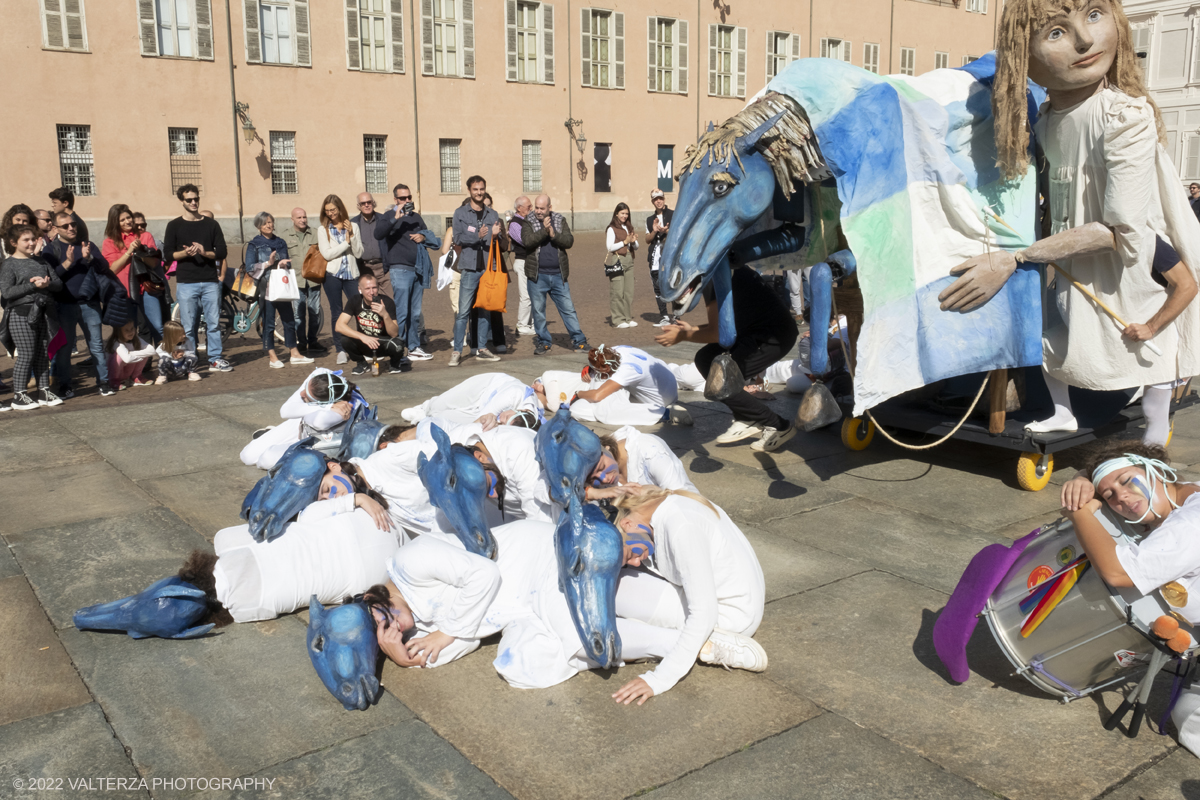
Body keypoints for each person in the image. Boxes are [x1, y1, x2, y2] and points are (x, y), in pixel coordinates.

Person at [941, 0, 1200, 437]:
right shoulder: (1045, 120)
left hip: (1125, 253)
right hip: (1070, 250)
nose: (1084, 40)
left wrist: (1016, 258)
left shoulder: (1124, 115)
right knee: (1052, 333)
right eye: (1056, 32)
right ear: (1023, 55)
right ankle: (1064, 412)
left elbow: (1123, 229)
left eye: (1094, 15)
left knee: (1149, 346)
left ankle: (1156, 436)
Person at [1059, 443, 1200, 757]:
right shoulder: (1190, 492)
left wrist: (1080, 512)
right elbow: (1117, 472)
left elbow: (1118, 573)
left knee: (1189, 718)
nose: (1120, 497)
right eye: (1108, 495)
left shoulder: (1189, 526)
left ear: (1159, 471)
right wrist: (1085, 477)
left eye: (1126, 481)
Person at [609, 486, 768, 704]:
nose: (636, 562)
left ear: (627, 523)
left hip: (730, 619)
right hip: (741, 604)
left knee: (616, 589)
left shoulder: (681, 526)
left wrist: (659, 679)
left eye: (630, 554)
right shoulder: (672, 503)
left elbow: (704, 613)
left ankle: (714, 643)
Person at [656, 260, 799, 452]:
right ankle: (747, 417)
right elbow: (724, 328)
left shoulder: (713, 278)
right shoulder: (717, 267)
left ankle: (778, 425)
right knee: (706, 359)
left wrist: (683, 335)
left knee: (721, 376)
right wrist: (692, 330)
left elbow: (717, 333)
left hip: (772, 338)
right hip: (758, 332)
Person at [240, 369, 367, 470]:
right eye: (306, 388)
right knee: (247, 456)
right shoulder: (321, 375)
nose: (301, 394)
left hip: (319, 442)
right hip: (300, 424)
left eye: (308, 396)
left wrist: (320, 408)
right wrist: (327, 406)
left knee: (266, 460)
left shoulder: (347, 407)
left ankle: (277, 442)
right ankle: (271, 434)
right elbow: (285, 411)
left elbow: (318, 422)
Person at [164, 185, 231, 372]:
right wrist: (185, 253)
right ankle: (191, 358)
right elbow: (168, 255)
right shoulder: (174, 225)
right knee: (188, 324)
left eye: (196, 199)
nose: (194, 203)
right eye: (189, 200)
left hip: (210, 281)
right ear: (181, 201)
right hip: (186, 282)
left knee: (213, 323)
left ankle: (215, 359)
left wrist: (204, 252)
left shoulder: (211, 225)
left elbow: (222, 252)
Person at [45, 210, 111, 398]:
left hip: (89, 304)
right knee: (64, 349)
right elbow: (50, 277)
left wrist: (89, 258)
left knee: (96, 345)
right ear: (56, 228)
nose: (71, 228)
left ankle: (103, 382)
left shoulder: (87, 245)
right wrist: (68, 262)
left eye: (73, 224)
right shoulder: (51, 249)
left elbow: (104, 267)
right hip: (64, 306)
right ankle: (65, 385)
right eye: (65, 226)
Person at [0, 225, 64, 410]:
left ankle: (44, 390)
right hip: (21, 314)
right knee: (26, 355)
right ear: (13, 243)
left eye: (33, 239)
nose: (31, 243)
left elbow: (58, 284)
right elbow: (7, 292)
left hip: (44, 312)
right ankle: (19, 396)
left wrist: (47, 284)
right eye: (25, 240)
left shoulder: (41, 261)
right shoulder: (9, 264)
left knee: (43, 355)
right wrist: (33, 286)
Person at [522, 195, 588, 355]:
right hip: (537, 276)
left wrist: (553, 234)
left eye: (541, 208)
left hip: (558, 275)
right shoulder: (528, 221)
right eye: (536, 207)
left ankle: (579, 341)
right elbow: (527, 241)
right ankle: (544, 342)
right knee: (538, 311)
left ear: (549, 208)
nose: (538, 211)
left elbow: (569, 241)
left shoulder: (560, 220)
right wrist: (544, 232)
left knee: (568, 309)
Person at [376, 183, 435, 362]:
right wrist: (395, 217)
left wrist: (423, 237)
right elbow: (378, 234)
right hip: (399, 269)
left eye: (409, 198)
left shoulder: (416, 217)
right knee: (402, 311)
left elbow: (428, 234)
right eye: (402, 198)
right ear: (395, 200)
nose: (407, 201)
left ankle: (414, 347)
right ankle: (398, 349)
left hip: (418, 268)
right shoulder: (387, 216)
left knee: (415, 312)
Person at [245, 211, 312, 369]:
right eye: (265, 223)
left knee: (289, 320)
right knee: (268, 323)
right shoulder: (254, 244)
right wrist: (268, 263)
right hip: (266, 287)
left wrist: (284, 264)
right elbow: (250, 268)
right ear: (258, 226)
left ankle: (294, 353)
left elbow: (287, 261)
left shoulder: (280, 242)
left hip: (281, 286)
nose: (269, 225)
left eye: (271, 222)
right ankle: (272, 356)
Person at [449, 176, 503, 367]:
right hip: (470, 268)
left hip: (488, 268)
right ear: (469, 190)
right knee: (463, 311)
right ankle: (457, 350)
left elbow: (498, 240)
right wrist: (476, 236)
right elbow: (457, 238)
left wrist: (495, 235)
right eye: (475, 189)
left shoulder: (492, 214)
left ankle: (482, 348)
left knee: (485, 310)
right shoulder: (460, 213)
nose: (479, 192)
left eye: (481, 189)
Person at [569, 344, 692, 426]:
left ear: (606, 368)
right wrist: (588, 368)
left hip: (661, 399)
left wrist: (578, 394)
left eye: (595, 368)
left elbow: (597, 396)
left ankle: (665, 413)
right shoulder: (614, 351)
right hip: (665, 376)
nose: (593, 370)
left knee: (605, 411)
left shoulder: (626, 371)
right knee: (582, 407)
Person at [101, 204, 164, 345]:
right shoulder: (109, 242)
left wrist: (141, 251)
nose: (127, 222)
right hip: (125, 292)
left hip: (147, 287)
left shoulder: (145, 236)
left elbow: (153, 263)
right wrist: (129, 252)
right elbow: (112, 269)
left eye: (128, 217)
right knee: (128, 331)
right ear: (115, 222)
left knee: (157, 326)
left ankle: (165, 361)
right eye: (122, 220)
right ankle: (131, 364)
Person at [587, 426, 697, 500]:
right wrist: (593, 493)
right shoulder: (592, 464)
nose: (604, 479)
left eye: (602, 467)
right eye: (593, 479)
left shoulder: (649, 452)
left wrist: (649, 494)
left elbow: (682, 497)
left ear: (607, 448)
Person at [318, 194, 364, 365]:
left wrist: (351, 235)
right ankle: (341, 350)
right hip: (332, 276)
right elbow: (327, 254)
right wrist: (345, 243)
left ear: (340, 208)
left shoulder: (353, 226)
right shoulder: (323, 229)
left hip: (351, 274)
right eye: (327, 210)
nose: (331, 213)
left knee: (359, 310)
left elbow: (359, 253)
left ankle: (362, 345)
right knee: (337, 311)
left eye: (333, 210)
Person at [400, 372, 541, 425]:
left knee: (443, 419)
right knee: (441, 404)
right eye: (506, 417)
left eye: (503, 423)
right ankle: (426, 407)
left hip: (483, 410)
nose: (502, 418)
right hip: (487, 386)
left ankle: (426, 419)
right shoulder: (512, 396)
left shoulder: (527, 422)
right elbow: (479, 421)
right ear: (520, 410)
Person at [335, 273, 406, 376]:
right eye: (367, 288)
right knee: (344, 339)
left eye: (374, 288)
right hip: (365, 342)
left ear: (378, 288)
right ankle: (361, 363)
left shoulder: (387, 302)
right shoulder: (354, 301)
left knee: (398, 344)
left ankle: (394, 364)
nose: (372, 292)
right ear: (360, 289)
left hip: (383, 342)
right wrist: (362, 336)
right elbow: (339, 326)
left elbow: (394, 333)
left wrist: (385, 314)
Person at [281, 207, 325, 355]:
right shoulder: (286, 236)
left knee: (315, 312)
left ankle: (312, 341)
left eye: (304, 217)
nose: (302, 220)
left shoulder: (316, 234)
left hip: (313, 279)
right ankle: (301, 342)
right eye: (299, 217)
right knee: (298, 314)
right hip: (296, 280)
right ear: (292, 219)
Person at [605, 203, 640, 328]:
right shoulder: (611, 228)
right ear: (616, 214)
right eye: (622, 213)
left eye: (626, 213)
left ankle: (627, 317)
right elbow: (609, 247)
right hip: (617, 259)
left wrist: (633, 241)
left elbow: (636, 246)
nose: (625, 216)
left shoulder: (629, 227)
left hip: (629, 260)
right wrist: (624, 242)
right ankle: (618, 319)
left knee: (628, 291)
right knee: (617, 291)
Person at [645, 189, 675, 327]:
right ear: (652, 201)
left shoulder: (673, 214)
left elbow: (679, 232)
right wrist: (655, 231)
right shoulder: (650, 219)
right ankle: (664, 316)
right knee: (657, 287)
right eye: (656, 199)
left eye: (660, 198)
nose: (659, 201)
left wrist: (666, 231)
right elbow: (647, 239)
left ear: (664, 199)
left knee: (672, 285)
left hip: (670, 255)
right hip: (655, 257)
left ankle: (676, 316)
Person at [352, 192, 389, 298]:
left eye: (369, 202)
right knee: (368, 302)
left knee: (389, 302)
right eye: (363, 203)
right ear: (358, 206)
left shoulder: (383, 220)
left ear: (373, 203)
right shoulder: (353, 224)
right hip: (364, 268)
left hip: (384, 269)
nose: (366, 205)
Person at [508, 197, 535, 336]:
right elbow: (526, 241)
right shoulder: (515, 223)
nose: (531, 208)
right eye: (528, 206)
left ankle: (531, 323)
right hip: (522, 261)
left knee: (534, 294)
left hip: (532, 261)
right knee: (525, 295)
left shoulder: (529, 220)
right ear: (519, 208)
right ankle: (522, 324)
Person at [105, 319, 155, 390]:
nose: (130, 332)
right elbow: (127, 359)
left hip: (127, 371)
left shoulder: (136, 339)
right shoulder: (116, 342)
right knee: (119, 356)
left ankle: (136, 377)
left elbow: (152, 350)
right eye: (126, 330)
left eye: (132, 329)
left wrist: (130, 353)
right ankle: (113, 380)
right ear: (119, 332)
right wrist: (137, 355)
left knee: (144, 353)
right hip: (113, 372)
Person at [154, 319, 200, 383]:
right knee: (163, 359)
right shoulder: (165, 344)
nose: (184, 336)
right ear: (172, 336)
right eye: (181, 335)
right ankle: (163, 376)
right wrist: (171, 355)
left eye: (184, 333)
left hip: (182, 367)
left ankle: (192, 373)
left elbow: (192, 351)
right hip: (171, 368)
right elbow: (157, 352)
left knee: (193, 357)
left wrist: (183, 354)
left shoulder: (186, 341)